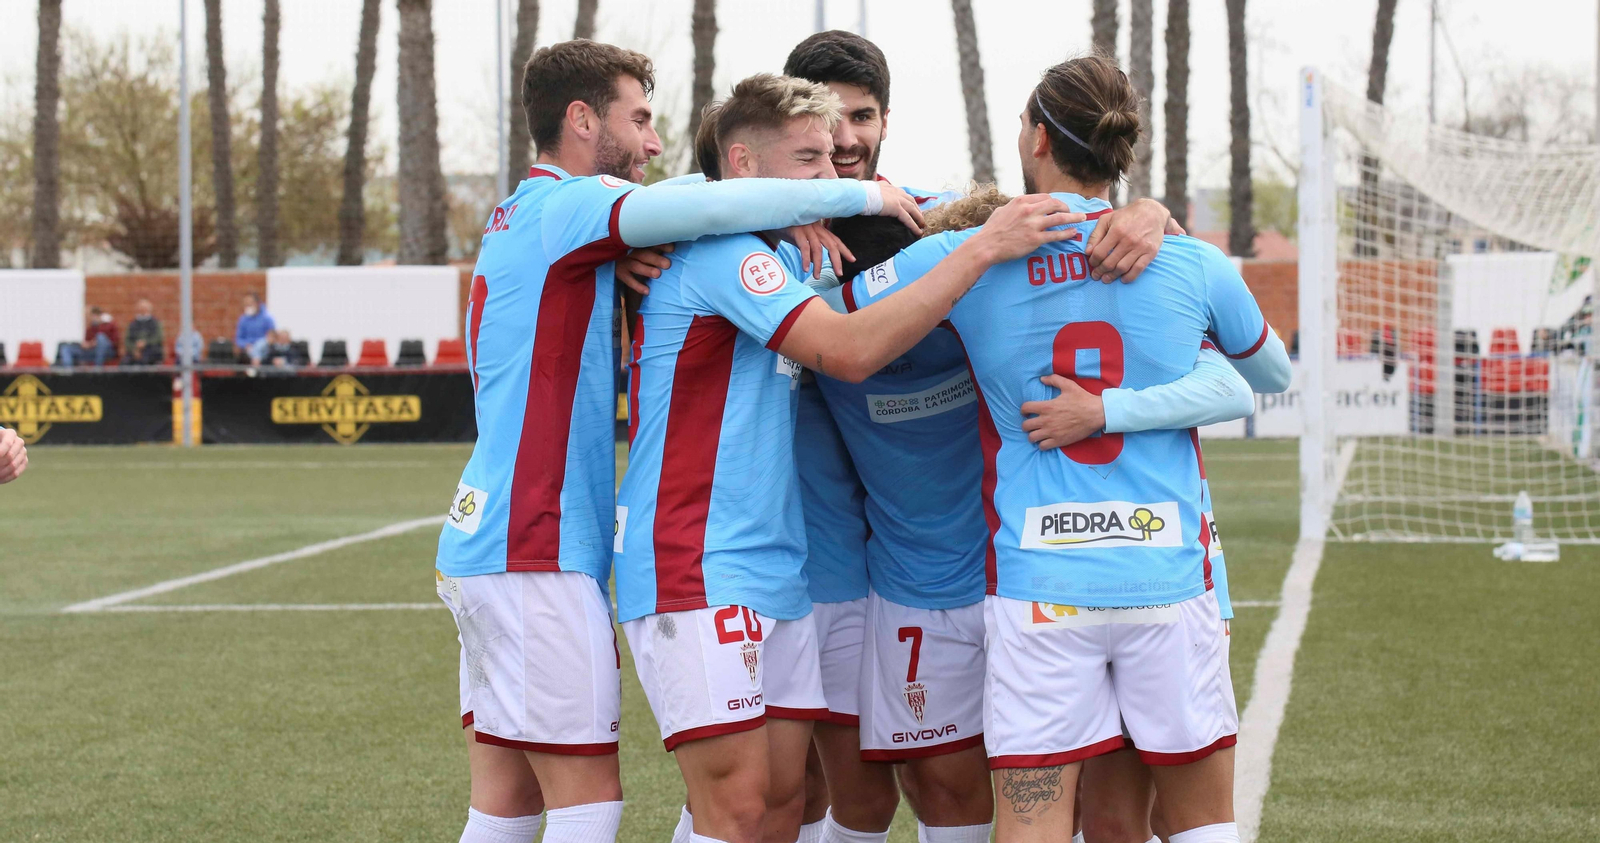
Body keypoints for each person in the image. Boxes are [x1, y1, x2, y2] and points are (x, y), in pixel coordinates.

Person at [434, 38, 927, 843]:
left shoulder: (544, 217)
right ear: (583, 119)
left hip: (499, 535)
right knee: (587, 802)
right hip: (535, 539)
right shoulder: (574, 204)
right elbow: (709, 201)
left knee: (507, 801)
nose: (654, 143)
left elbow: (703, 203)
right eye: (639, 119)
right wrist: (862, 197)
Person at [613, 74, 1082, 843]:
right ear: (741, 164)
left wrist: (1144, 215)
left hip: (777, 571)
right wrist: (980, 247)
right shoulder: (712, 253)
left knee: (781, 806)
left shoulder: (801, 253)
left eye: (836, 160)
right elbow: (849, 350)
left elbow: (932, 208)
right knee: (733, 809)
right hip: (692, 558)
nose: (832, 179)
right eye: (809, 160)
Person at [838, 55, 1291, 843]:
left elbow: (834, 310)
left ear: (1037, 137)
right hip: (1168, 580)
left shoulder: (972, 260)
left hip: (1041, 591)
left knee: (1035, 822)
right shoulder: (1187, 262)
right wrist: (1163, 228)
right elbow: (1271, 371)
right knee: (1199, 825)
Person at [234, 293, 275, 364]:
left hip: (263, 351)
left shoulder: (267, 319)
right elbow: (238, 339)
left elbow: (271, 337)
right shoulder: (243, 320)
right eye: (246, 304)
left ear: (258, 303)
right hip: (247, 352)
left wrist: (259, 346)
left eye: (250, 304)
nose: (248, 307)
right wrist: (245, 345)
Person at [124, 299, 165, 366]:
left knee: (144, 361)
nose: (142, 310)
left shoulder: (155, 323)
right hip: (134, 352)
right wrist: (134, 349)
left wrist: (145, 343)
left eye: (144, 308)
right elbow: (127, 340)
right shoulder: (133, 324)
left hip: (151, 351)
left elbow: (158, 337)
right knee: (125, 364)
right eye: (141, 308)